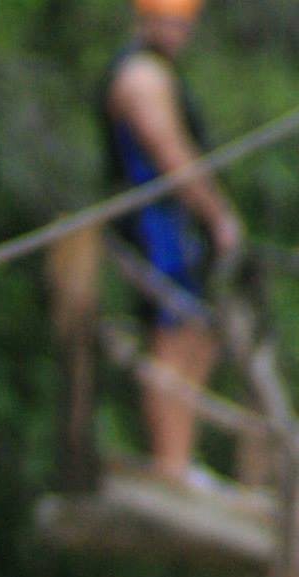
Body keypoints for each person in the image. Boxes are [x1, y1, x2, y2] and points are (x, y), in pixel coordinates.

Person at [101, 0, 244, 485]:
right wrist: (217, 213)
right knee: (173, 328)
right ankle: (171, 462)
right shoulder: (141, 75)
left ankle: (180, 458)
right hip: (154, 225)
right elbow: (168, 149)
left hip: (173, 224)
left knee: (197, 330)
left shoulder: (157, 71)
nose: (179, 33)